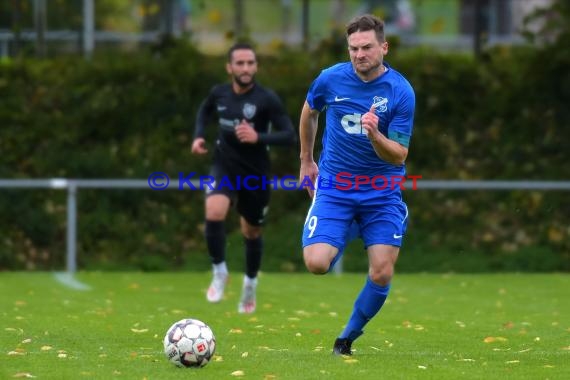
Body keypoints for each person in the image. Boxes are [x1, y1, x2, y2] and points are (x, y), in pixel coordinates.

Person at [298, 14, 415, 355]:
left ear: (384, 47)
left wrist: (375, 134)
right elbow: (309, 111)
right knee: (317, 264)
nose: (359, 54)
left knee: (381, 273)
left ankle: (346, 338)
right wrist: (306, 160)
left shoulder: (400, 92)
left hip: (381, 194)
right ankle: (347, 227)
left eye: (366, 47)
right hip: (335, 188)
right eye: (353, 48)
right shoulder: (330, 80)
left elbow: (398, 155)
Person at [192, 43, 295, 314]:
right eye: (240, 63)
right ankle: (220, 272)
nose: (246, 68)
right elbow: (204, 111)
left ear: (256, 66)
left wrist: (258, 137)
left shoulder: (267, 99)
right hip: (224, 165)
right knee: (214, 211)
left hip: (255, 173)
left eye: (250, 63)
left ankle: (249, 283)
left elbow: (289, 135)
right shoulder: (219, 93)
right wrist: (199, 136)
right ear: (230, 67)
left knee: (251, 231)